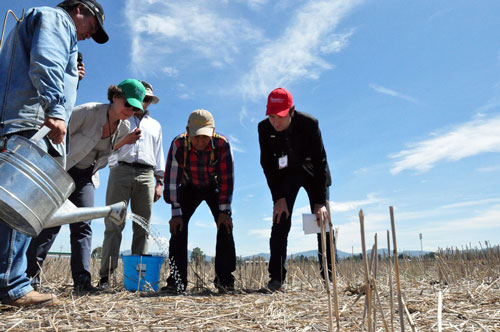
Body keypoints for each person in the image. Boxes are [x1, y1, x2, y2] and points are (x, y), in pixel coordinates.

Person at [0, 0, 108, 306]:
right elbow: (45, 61)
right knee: (19, 208)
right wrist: (57, 109)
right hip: (31, 122)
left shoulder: (44, 23)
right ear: (79, 11)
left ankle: (12, 280)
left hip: (19, 118)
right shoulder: (57, 19)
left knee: (10, 206)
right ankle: (12, 285)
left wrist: (72, 75)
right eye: (92, 26)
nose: (90, 34)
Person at [26, 79, 145, 292]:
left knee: (83, 225)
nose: (131, 110)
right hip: (62, 171)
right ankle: (30, 277)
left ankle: (82, 282)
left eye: (136, 107)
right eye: (128, 104)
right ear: (115, 96)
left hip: (87, 176)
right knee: (52, 223)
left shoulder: (125, 126)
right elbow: (54, 129)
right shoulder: (88, 111)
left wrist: (124, 143)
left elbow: (106, 151)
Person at [258, 87, 333, 292]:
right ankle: (276, 279)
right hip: (286, 175)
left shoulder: (309, 124)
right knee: (280, 220)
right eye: (272, 116)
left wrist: (319, 201)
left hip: (313, 172)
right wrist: (278, 198)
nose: (275, 122)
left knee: (322, 222)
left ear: (291, 111)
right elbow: (267, 165)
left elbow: (320, 161)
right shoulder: (264, 129)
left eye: (280, 116)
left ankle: (329, 277)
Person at [98, 81, 165, 288]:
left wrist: (159, 181)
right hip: (120, 170)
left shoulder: (155, 126)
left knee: (142, 227)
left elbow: (158, 153)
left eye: (148, 100)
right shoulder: (120, 119)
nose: (144, 103)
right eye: (142, 98)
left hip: (146, 174)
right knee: (114, 223)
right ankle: (105, 278)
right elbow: (106, 148)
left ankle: (138, 279)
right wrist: (121, 149)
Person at [162, 109, 236, 293]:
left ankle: (224, 281)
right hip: (188, 187)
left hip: (214, 187)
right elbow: (172, 180)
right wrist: (175, 212)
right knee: (178, 229)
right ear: (188, 131)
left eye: (205, 137)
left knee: (225, 226)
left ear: (213, 131)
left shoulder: (222, 144)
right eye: (196, 137)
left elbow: (227, 178)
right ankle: (177, 282)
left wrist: (224, 211)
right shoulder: (179, 144)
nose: (201, 142)